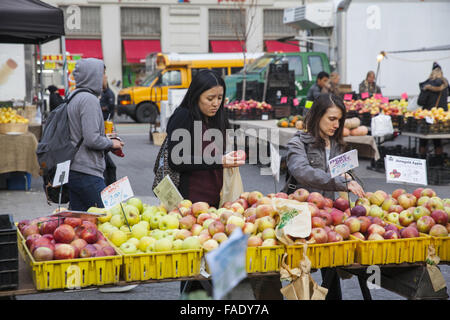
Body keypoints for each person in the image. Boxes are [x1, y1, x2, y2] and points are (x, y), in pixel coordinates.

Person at [166, 69, 245, 296]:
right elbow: (176, 159)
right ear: (196, 95)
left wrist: (229, 158)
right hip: (191, 198)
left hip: (217, 195)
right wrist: (218, 160)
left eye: (220, 98)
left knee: (217, 261)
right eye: (210, 98)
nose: (216, 103)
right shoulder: (183, 116)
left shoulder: (218, 116)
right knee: (195, 265)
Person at [283, 93, 365, 300]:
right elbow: (303, 172)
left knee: (331, 268)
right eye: (332, 119)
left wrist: (351, 178)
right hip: (301, 217)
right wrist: (339, 181)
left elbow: (350, 174)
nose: (336, 124)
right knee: (302, 272)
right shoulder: (297, 143)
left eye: (339, 120)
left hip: (330, 216)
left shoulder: (337, 144)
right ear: (317, 115)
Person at [66, 58, 124, 211]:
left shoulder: (74, 96)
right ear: (93, 76)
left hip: (74, 170)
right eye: (103, 74)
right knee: (108, 217)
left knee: (81, 224)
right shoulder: (89, 100)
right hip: (87, 172)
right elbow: (91, 139)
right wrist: (112, 143)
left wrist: (105, 138)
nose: (105, 77)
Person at [418, 62, 449, 160]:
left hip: (428, 115)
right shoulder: (445, 85)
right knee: (437, 139)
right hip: (441, 117)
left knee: (423, 139)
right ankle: (438, 160)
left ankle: (422, 159)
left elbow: (420, 101)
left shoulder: (427, 85)